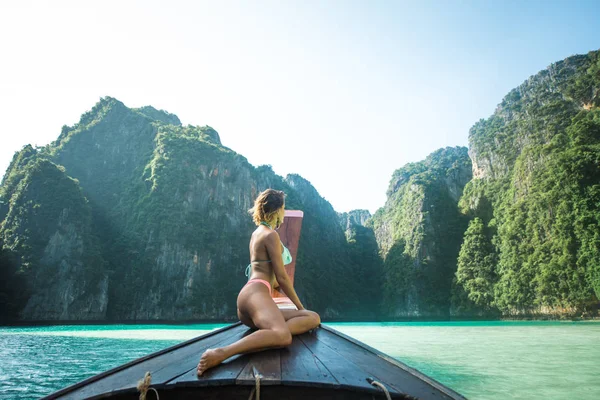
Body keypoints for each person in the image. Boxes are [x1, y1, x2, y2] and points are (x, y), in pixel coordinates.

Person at [197, 189, 321, 376]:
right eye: (283, 209)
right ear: (278, 210)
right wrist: (299, 307)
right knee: (283, 336)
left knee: (312, 318)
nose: (284, 213)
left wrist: (301, 312)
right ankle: (222, 353)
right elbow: (282, 277)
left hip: (250, 298)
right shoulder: (271, 235)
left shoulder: (256, 233)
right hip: (256, 295)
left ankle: (265, 337)